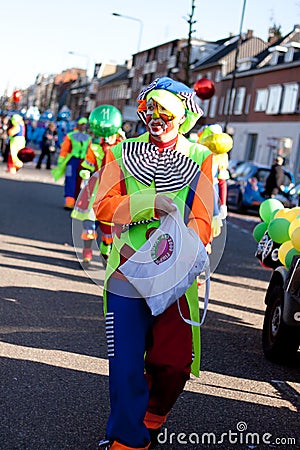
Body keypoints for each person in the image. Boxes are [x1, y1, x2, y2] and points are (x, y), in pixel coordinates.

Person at [93, 77, 214, 450]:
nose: (156, 118)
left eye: (165, 112)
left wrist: (180, 247)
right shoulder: (119, 153)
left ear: (183, 117)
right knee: (126, 362)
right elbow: (102, 206)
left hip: (174, 274)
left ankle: (154, 412)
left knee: (173, 362)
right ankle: (128, 438)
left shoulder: (199, 158)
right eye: (150, 110)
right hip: (126, 272)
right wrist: (151, 205)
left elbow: (204, 219)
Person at [71, 105, 125, 265]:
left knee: (109, 225)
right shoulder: (94, 147)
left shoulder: (122, 146)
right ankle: (87, 254)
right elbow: (88, 163)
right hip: (94, 189)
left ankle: (105, 250)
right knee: (89, 222)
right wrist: (85, 172)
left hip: (113, 188)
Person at [52, 117, 92, 209]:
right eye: (82, 124)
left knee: (79, 181)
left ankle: (76, 201)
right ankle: (69, 201)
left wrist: (89, 163)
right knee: (70, 180)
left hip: (83, 162)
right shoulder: (70, 136)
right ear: (78, 125)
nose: (83, 126)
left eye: (84, 125)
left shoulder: (88, 138)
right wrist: (61, 161)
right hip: (72, 161)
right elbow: (64, 150)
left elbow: (89, 151)